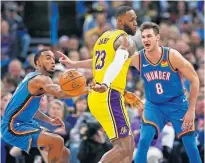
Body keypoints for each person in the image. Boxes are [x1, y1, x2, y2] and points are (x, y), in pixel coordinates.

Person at [57, 6, 143, 163]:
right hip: (109, 94)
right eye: (132, 20)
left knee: (127, 148)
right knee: (124, 148)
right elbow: (118, 61)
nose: (136, 23)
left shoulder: (104, 37)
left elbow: (98, 63)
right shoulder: (126, 40)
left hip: (98, 96)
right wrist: (106, 82)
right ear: (120, 21)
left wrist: (74, 63)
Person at [129, 22, 202, 163]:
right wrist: (77, 64)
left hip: (177, 104)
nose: (145, 40)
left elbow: (194, 79)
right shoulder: (138, 58)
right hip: (154, 106)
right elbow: (111, 63)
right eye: (143, 37)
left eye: (149, 36)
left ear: (157, 38)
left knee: (191, 146)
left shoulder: (172, 56)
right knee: (143, 141)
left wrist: (191, 110)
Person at [1, 49, 86, 163]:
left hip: (25, 123)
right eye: (47, 58)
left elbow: (29, 109)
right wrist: (87, 90)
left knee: (65, 152)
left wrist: (49, 120)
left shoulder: (31, 76)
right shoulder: (40, 79)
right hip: (13, 125)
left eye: (53, 58)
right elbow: (60, 93)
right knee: (57, 141)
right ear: (38, 63)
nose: (52, 61)